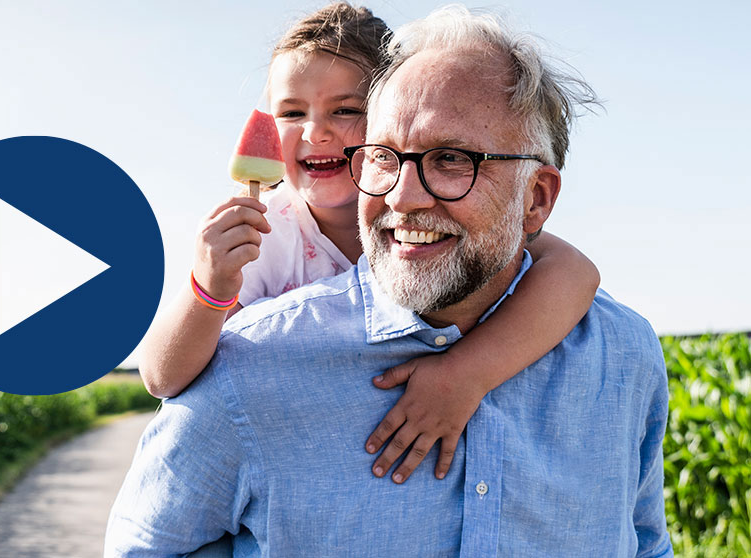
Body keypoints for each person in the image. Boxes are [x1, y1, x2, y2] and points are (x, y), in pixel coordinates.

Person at [107, 5, 673, 556]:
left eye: (450, 158)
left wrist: (467, 372)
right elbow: (161, 390)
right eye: (384, 157)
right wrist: (208, 288)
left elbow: (645, 542)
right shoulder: (252, 339)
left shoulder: (623, 355)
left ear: (537, 199)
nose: (402, 197)